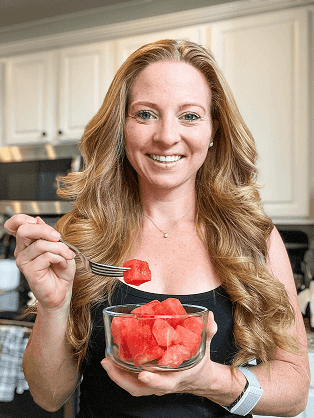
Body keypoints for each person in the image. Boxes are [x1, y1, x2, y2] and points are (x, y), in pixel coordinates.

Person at [4, 39, 310, 417]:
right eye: (146, 114)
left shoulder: (254, 238)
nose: (166, 136)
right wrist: (53, 306)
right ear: (122, 127)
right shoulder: (81, 236)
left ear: (215, 130)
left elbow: (295, 391)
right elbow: (49, 396)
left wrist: (209, 380)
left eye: (190, 116)